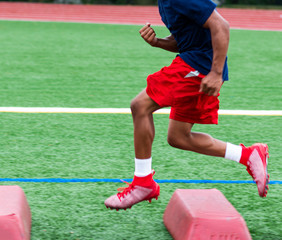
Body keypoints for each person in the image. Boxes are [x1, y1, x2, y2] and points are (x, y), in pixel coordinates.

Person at [104, 0, 269, 210]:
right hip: (196, 63)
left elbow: (221, 25)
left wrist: (216, 73)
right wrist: (157, 42)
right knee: (179, 137)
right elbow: (185, 41)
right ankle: (247, 155)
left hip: (198, 66)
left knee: (140, 106)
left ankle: (143, 183)